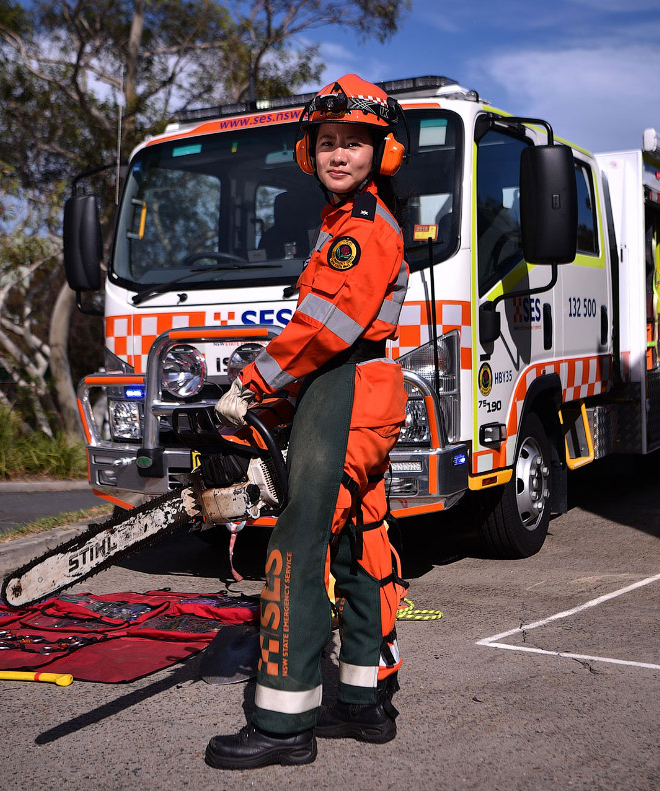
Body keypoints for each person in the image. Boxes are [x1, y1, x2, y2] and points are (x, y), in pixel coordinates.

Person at [206, 74, 411, 770]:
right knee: (362, 542)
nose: (339, 154)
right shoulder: (347, 224)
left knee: (297, 544)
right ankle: (365, 697)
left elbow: (327, 326)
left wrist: (252, 385)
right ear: (310, 151)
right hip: (359, 387)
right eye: (328, 142)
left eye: (355, 142)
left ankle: (282, 720)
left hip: (346, 389)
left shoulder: (361, 231)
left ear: (380, 154)